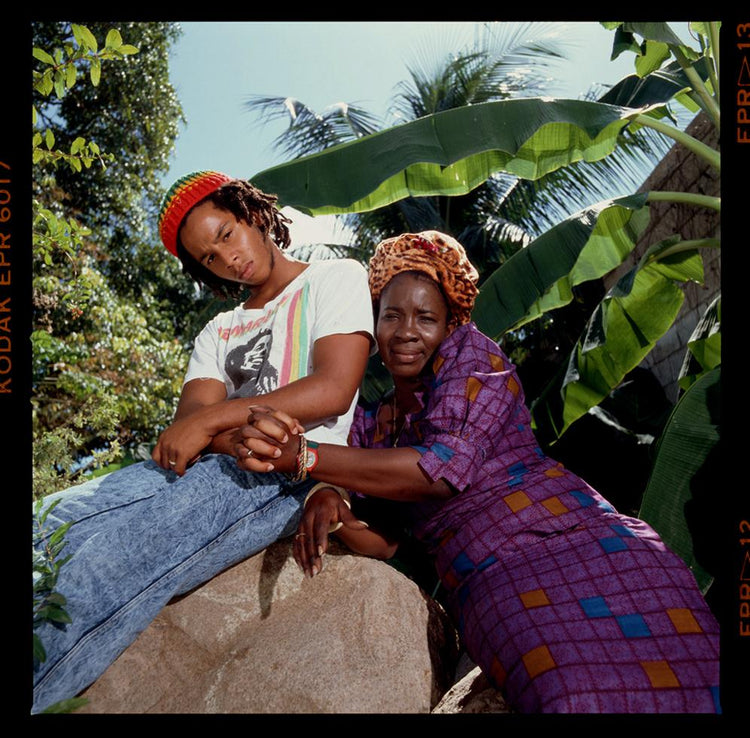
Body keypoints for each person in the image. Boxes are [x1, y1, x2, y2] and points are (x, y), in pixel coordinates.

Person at [237, 230, 721, 714]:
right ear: (374, 326)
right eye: (391, 315)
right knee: (571, 695)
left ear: (450, 325)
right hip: (495, 573)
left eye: (426, 317)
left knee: (702, 665)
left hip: (586, 535)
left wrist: (309, 458)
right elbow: (385, 540)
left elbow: (440, 473)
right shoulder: (371, 425)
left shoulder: (475, 362)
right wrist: (333, 503)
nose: (407, 331)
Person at [31, 171, 374, 713]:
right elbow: (187, 430)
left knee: (104, 569)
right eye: (209, 258)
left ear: (253, 214)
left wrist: (220, 419)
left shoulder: (334, 278)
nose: (227, 258)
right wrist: (224, 429)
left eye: (226, 234)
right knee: (47, 520)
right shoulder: (220, 330)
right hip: (212, 463)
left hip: (277, 478)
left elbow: (331, 390)